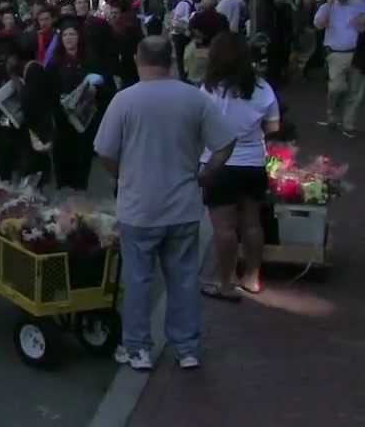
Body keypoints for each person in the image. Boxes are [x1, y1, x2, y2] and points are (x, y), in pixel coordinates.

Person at [94, 37, 237, 372]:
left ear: (137, 59)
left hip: (139, 207)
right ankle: (187, 347)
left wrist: (123, 174)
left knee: (139, 280)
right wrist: (206, 174)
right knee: (184, 279)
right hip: (183, 205)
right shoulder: (193, 98)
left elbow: (105, 151)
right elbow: (226, 143)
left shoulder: (124, 100)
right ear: (171, 60)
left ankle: (138, 348)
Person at [198, 32, 280, 302]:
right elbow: (273, 127)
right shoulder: (261, 87)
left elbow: (198, 126)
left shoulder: (209, 89)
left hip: (218, 163)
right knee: (252, 223)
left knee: (224, 227)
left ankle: (225, 282)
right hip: (253, 162)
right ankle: (253, 277)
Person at [50, 17, 112, 191]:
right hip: (63, 120)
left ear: (79, 37)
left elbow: (107, 88)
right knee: (63, 159)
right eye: (65, 35)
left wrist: (96, 89)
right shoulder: (56, 62)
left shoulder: (91, 60)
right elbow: (48, 88)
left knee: (81, 159)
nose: (69, 38)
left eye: (72, 34)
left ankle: (79, 193)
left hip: (84, 120)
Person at [313, 0, 365, 135]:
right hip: (336, 54)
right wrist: (328, 4)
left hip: (357, 54)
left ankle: (348, 124)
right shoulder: (327, 8)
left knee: (355, 91)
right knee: (337, 87)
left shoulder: (358, 7)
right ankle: (332, 114)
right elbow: (319, 25)